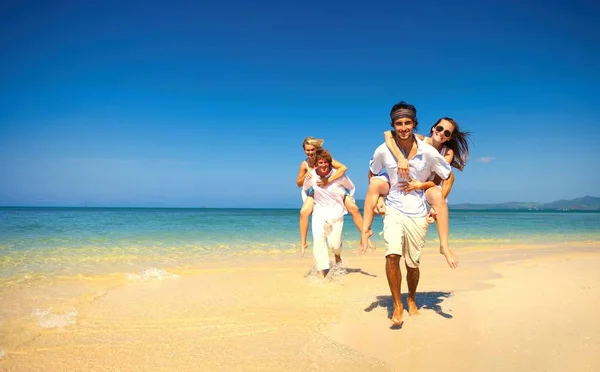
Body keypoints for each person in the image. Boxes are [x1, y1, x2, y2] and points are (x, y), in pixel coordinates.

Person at [360, 101, 452, 326]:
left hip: (417, 211)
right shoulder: (383, 150)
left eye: (407, 123)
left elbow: (446, 175)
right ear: (393, 125)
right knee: (392, 256)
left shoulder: (428, 152)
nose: (403, 127)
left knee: (412, 264)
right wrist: (380, 197)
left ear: (414, 124)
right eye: (399, 123)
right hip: (393, 209)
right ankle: (397, 305)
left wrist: (426, 189)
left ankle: (411, 297)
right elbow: (372, 174)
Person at [364, 118, 470, 268]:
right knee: (379, 184)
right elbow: (388, 135)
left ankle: (444, 247)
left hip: (426, 186)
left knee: (439, 194)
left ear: (449, 137)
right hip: (403, 181)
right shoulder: (420, 140)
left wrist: (420, 185)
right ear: (433, 128)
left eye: (447, 133)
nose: (441, 134)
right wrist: (400, 158)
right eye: (439, 129)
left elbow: (440, 180)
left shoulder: (447, 152)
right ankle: (369, 226)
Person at [296, 137, 373, 252]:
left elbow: (343, 168)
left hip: (333, 188)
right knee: (303, 212)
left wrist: (328, 180)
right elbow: (299, 183)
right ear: (304, 150)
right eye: (308, 150)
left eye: (312, 149)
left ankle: (365, 236)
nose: (310, 153)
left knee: (354, 208)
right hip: (316, 189)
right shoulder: (304, 164)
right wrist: (306, 175)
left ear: (317, 149)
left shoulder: (325, 158)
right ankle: (303, 243)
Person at [302, 148, 355, 279]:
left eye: (326, 162)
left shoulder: (338, 175)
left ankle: (337, 255)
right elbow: (304, 189)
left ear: (330, 163)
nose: (324, 165)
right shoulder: (312, 176)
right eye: (320, 162)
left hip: (336, 212)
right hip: (319, 212)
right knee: (319, 240)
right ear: (316, 163)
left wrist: (348, 199)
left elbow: (351, 187)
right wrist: (309, 203)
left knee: (335, 245)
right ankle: (322, 274)